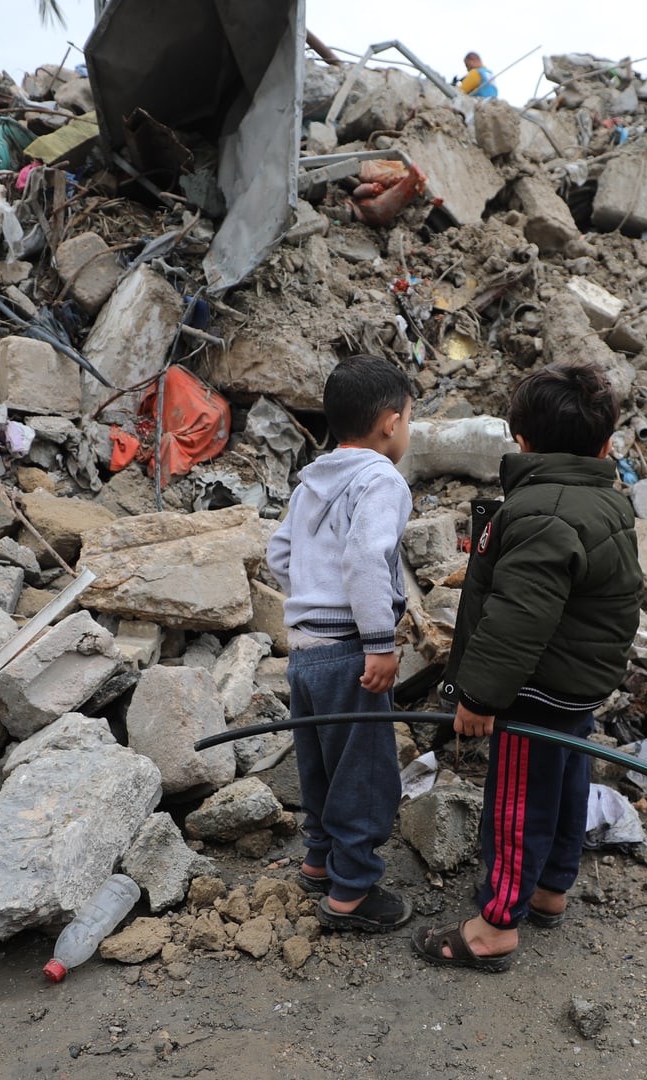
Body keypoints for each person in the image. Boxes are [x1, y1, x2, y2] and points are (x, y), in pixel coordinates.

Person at [413, 363, 642, 971]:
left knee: (517, 801)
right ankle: (549, 888)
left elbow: (519, 618)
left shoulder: (542, 513)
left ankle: (494, 926)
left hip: (535, 688)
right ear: (605, 445)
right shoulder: (604, 500)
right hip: (576, 685)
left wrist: (481, 697)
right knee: (565, 780)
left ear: (521, 440)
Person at [265, 354, 418, 933]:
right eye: (408, 417)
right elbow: (364, 557)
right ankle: (352, 893)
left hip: (305, 652)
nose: (406, 429)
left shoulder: (315, 479)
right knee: (366, 772)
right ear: (387, 422)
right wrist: (378, 643)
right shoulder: (381, 478)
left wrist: (309, 595)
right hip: (350, 650)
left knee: (320, 763)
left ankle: (319, 860)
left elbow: (279, 554)